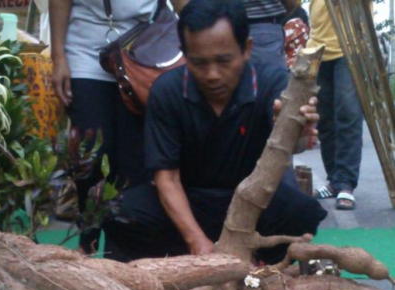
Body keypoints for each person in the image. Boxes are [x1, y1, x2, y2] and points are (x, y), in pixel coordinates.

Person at [103, 0, 327, 263]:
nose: (212, 74)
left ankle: (271, 273)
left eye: (224, 61)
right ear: (183, 54)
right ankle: (161, 273)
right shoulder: (167, 92)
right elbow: (167, 179)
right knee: (122, 214)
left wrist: (296, 128)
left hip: (254, 205)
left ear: (247, 49)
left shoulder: (271, 83)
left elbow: (296, 143)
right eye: (199, 62)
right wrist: (198, 242)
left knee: (302, 212)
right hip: (189, 202)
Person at [50, 0, 154, 252]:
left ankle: (123, 251)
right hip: (85, 51)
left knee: (133, 160)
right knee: (93, 153)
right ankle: (89, 242)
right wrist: (58, 57)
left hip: (145, 50)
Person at [307, 0, 367, 210]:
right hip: (317, 48)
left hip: (348, 47)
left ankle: (346, 183)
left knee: (348, 113)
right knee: (324, 118)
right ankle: (335, 180)